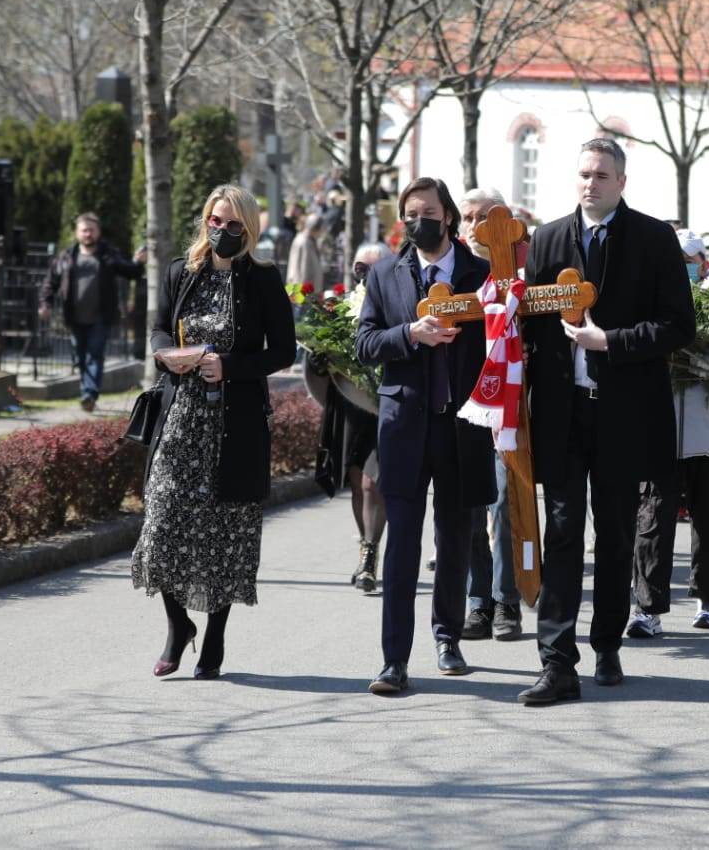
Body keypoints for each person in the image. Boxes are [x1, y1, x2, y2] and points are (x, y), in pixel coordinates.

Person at [517, 137, 694, 705]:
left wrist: (609, 341)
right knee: (563, 532)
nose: (590, 183)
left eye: (601, 175)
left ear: (621, 181)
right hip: (563, 415)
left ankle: (607, 643)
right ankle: (555, 661)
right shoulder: (547, 239)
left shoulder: (651, 237)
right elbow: (531, 322)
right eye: (583, 173)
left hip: (623, 414)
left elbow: (677, 325)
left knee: (615, 535)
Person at [132, 184, 294, 680]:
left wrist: (229, 366)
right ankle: (178, 625)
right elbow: (159, 328)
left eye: (232, 225)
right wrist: (168, 354)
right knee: (161, 523)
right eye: (215, 221)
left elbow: (282, 351)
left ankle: (215, 637)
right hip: (180, 417)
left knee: (225, 533)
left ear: (249, 230)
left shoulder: (263, 279)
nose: (221, 231)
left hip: (234, 424)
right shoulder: (184, 272)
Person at [354, 177, 499, 695]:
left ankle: (448, 638)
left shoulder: (481, 274)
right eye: (411, 213)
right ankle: (394, 660)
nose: (420, 222)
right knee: (402, 548)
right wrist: (409, 336)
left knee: (455, 542)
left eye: (429, 212)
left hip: (461, 425)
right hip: (405, 426)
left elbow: (501, 342)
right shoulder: (386, 274)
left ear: (450, 217)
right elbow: (365, 342)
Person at [628, 230, 709, 638]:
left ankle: (707, 600)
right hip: (661, 431)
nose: (684, 266)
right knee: (653, 519)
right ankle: (647, 608)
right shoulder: (651, 303)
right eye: (677, 259)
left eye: (690, 259)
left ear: (703, 262)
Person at [455, 186, 524, 642]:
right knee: (468, 505)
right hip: (463, 407)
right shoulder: (454, 276)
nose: (477, 225)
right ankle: (477, 602)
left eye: (486, 216)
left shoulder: (519, 276)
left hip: (508, 407)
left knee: (502, 505)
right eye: (468, 217)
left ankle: (506, 603)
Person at [312, 241, 390, 593]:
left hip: (385, 407)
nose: (365, 274)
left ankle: (371, 554)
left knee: (375, 483)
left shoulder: (397, 304)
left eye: (373, 268)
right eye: (360, 267)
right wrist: (319, 360)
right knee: (359, 482)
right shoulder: (339, 308)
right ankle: (366, 545)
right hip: (351, 406)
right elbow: (320, 356)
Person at [40, 212, 145, 411]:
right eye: (84, 230)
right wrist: (45, 303)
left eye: (91, 230)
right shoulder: (66, 257)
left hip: (100, 316)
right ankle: (86, 392)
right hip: (74, 317)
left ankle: (89, 394)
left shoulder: (108, 255)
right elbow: (50, 282)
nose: (88, 234)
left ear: (98, 232)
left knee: (94, 354)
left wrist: (139, 262)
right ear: (77, 233)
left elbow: (130, 271)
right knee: (80, 357)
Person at [287, 213, 325, 288]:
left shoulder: (310, 241)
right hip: (303, 292)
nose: (322, 232)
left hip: (309, 291)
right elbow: (301, 271)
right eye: (321, 229)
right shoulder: (303, 242)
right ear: (314, 229)